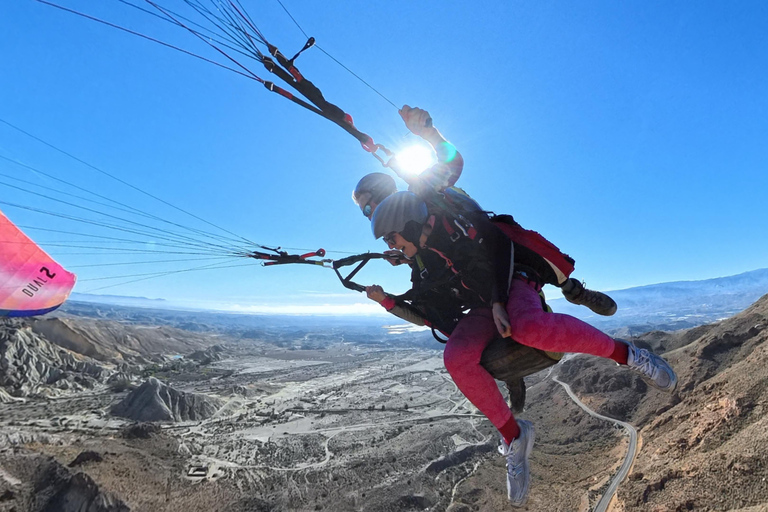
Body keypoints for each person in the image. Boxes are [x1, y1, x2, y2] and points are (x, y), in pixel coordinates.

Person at [367, 191, 677, 507]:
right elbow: (430, 309)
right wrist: (388, 301)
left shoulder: (456, 223)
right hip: (484, 304)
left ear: (410, 222)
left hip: (515, 280)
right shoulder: (425, 256)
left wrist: (500, 300)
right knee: (457, 357)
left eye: (392, 237)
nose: (391, 245)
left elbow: (500, 246)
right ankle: (514, 436)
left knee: (528, 327)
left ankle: (629, 355)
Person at [353, 106, 618, 317]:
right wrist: (407, 258)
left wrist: (428, 134)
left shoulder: (420, 190)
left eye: (367, 206)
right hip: (464, 270)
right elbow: (434, 253)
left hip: (480, 236)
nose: (367, 214)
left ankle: (573, 291)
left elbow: (451, 162)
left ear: (382, 194)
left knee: (530, 247)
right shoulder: (398, 230)